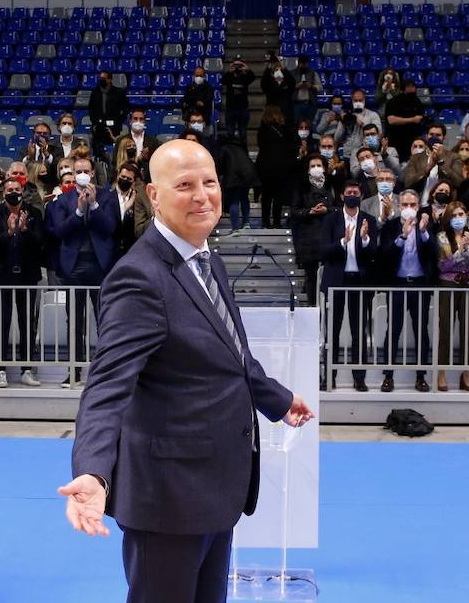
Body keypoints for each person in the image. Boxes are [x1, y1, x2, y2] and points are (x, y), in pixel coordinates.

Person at [59, 139, 312, 602]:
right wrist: (94, 471)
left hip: (216, 489)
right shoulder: (139, 277)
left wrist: (275, 398)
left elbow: (232, 354)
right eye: (185, 185)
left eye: (210, 182)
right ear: (153, 196)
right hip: (168, 497)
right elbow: (106, 387)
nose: (202, 195)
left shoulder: (206, 258)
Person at [47, 156, 119, 387]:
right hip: (74, 265)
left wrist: (94, 205)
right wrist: (78, 211)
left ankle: (106, 372)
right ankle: (74, 371)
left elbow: (110, 227)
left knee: (104, 319)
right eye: (78, 170)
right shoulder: (64, 199)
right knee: (74, 321)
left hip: (100, 264)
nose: (82, 173)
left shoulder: (107, 196)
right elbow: (59, 231)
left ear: (93, 172)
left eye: (86, 170)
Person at [0, 174, 45, 388]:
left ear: (22, 191)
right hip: (3, 277)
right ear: (3, 193)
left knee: (28, 324)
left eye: (17, 190)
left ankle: (27, 369)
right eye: (9, 190)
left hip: (27, 277)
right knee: (3, 323)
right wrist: (8, 233)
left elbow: (40, 244)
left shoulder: (34, 213)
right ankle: (0, 370)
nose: (13, 194)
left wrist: (25, 231)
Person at [377, 189, 437, 393]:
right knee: (393, 330)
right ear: (398, 206)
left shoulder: (427, 226)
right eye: (405, 205)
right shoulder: (391, 226)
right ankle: (388, 376)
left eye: (413, 205)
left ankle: (421, 376)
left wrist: (422, 232)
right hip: (397, 284)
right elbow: (384, 255)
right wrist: (402, 237)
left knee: (421, 330)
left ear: (419, 207)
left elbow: (434, 253)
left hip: (420, 284)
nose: (409, 209)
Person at [321, 180, 378, 392]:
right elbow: (323, 251)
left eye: (355, 192)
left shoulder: (368, 220)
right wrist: (343, 241)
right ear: (342, 196)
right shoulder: (331, 219)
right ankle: (329, 376)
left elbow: (374, 253)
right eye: (348, 192)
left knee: (358, 331)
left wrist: (364, 239)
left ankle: (359, 377)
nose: (352, 195)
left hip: (359, 281)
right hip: (336, 281)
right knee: (332, 331)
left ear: (361, 196)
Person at [435, 201, 469, 392]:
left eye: (461, 214)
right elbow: (443, 265)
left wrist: (468, 248)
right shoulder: (441, 237)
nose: (458, 218)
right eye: (454, 215)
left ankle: (466, 375)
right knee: (445, 327)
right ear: (448, 218)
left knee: (467, 329)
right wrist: (459, 252)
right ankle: (441, 374)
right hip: (448, 283)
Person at [289, 153, 333, 306]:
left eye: (319, 166)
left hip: (329, 236)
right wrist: (310, 212)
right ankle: (312, 305)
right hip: (308, 238)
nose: (316, 169)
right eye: (313, 166)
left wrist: (327, 210)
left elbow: (340, 207)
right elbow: (294, 210)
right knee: (311, 276)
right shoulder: (301, 187)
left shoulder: (331, 185)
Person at [255, 105, 295, 229]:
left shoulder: (262, 130)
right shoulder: (285, 130)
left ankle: (265, 222)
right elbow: (291, 146)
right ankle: (277, 222)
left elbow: (260, 146)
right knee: (278, 197)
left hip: (265, 167)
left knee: (266, 197)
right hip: (281, 168)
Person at [214, 133, 258, 234]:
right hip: (248, 175)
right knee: (244, 198)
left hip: (234, 176)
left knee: (234, 201)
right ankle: (246, 223)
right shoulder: (240, 147)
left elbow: (220, 165)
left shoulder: (224, 148)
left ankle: (235, 228)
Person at [109, 162, 151, 258]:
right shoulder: (107, 196)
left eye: (129, 179)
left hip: (132, 249)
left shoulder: (138, 198)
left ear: (134, 181)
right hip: (111, 248)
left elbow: (139, 227)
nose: (125, 180)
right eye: (123, 177)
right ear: (118, 175)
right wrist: (124, 209)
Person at [89, 71, 128, 162]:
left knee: (115, 149)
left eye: (104, 78)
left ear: (110, 79)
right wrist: (94, 122)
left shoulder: (118, 92)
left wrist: (119, 121)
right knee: (98, 150)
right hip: (98, 127)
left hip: (114, 127)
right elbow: (91, 109)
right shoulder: (95, 92)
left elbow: (126, 108)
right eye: (100, 78)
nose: (101, 80)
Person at [112, 108, 160, 181]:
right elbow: (115, 162)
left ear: (144, 122)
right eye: (135, 119)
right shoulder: (121, 140)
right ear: (130, 121)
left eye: (141, 119)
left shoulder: (153, 142)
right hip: (126, 179)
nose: (138, 121)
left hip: (146, 181)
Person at [384, 78, 426, 157]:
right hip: (396, 139)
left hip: (412, 139)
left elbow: (421, 117)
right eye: (409, 87)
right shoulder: (394, 102)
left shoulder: (416, 101)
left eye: (413, 87)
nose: (411, 89)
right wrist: (413, 120)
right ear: (403, 89)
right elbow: (391, 120)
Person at [220, 57, 256, 139]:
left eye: (239, 65)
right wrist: (229, 71)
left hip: (243, 108)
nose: (237, 67)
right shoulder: (229, 76)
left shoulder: (245, 76)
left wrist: (247, 69)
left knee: (243, 133)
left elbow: (253, 77)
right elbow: (222, 81)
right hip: (230, 108)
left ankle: (243, 150)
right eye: (235, 65)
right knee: (230, 133)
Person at [260, 51, 294, 119]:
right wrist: (268, 68)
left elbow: (292, 83)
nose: (275, 64)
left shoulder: (285, 75)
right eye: (273, 62)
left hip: (284, 107)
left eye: (275, 62)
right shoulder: (268, 76)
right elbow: (263, 85)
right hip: (271, 107)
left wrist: (283, 67)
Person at [290, 55, 322, 126]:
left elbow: (320, 87)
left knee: (310, 125)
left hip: (310, 104)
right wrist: (297, 86)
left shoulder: (313, 73)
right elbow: (287, 88)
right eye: (302, 63)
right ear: (298, 63)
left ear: (308, 63)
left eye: (305, 63)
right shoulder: (291, 73)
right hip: (296, 104)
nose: (303, 65)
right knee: (296, 125)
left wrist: (311, 86)